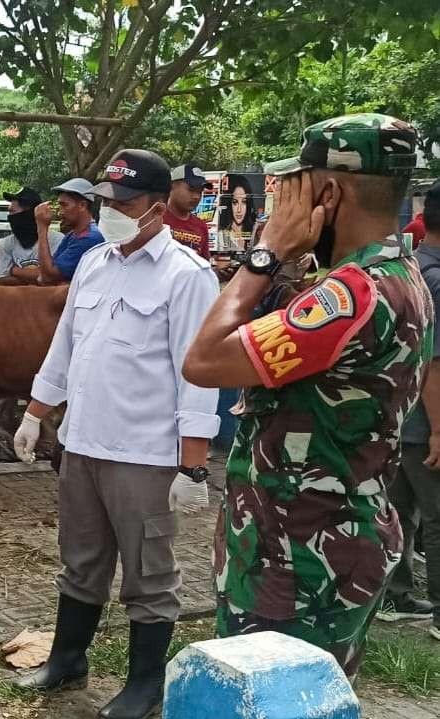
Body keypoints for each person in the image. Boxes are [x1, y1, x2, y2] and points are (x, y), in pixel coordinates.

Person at [182, 114, 430, 675]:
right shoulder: (394, 273)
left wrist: (264, 254)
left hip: (296, 557)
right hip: (319, 542)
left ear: (328, 191)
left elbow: (202, 360)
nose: (280, 199)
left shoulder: (349, 295)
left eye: (293, 185)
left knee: (272, 708)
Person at [13, 149, 220, 719]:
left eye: (124, 204)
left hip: (145, 456)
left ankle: (144, 683)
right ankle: (67, 660)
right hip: (82, 445)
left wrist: (193, 465)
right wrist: (34, 412)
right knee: (80, 560)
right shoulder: (95, 264)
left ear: (158, 207)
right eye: (107, 202)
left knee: (149, 573)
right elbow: (65, 348)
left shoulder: (186, 275)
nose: (112, 213)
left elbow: (195, 374)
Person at [378, 182, 440, 634]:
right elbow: (434, 361)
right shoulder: (436, 276)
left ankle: (395, 594)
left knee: (399, 508)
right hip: (425, 419)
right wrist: (439, 428)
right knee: (434, 513)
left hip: (396, 414)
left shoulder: (406, 267)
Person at [33, 177, 105, 284]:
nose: (60, 212)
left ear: (82, 205)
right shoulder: (73, 235)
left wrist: (42, 228)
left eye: (64, 205)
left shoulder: (90, 238)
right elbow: (45, 273)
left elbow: (48, 276)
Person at [0, 186, 57, 284]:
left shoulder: (56, 240)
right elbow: (1, 279)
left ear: (30, 214)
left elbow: (51, 276)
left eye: (13, 212)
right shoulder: (7, 243)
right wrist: (35, 276)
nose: (10, 217)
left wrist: (13, 270)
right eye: (9, 212)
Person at [164, 164, 212, 259]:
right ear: (171, 187)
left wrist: (219, 273)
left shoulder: (201, 226)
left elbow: (203, 267)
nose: (196, 196)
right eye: (191, 189)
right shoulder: (154, 218)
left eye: (200, 191)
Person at [217, 175, 257, 252]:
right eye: (235, 202)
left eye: (244, 202)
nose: (239, 209)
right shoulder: (221, 234)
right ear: (228, 204)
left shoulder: (254, 231)